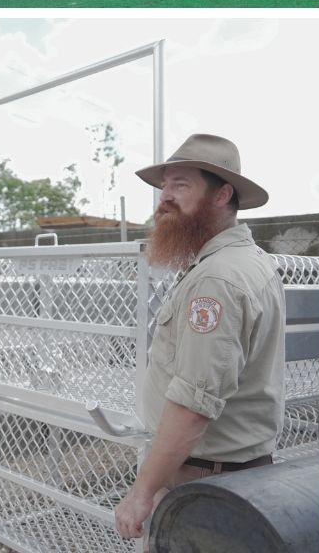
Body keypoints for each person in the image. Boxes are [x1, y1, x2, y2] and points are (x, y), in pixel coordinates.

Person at [115, 134, 285, 543]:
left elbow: (194, 403)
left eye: (181, 185)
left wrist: (142, 490)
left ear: (222, 194)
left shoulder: (217, 278)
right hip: (219, 478)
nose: (165, 198)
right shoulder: (244, 262)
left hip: (205, 487)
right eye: (165, 186)